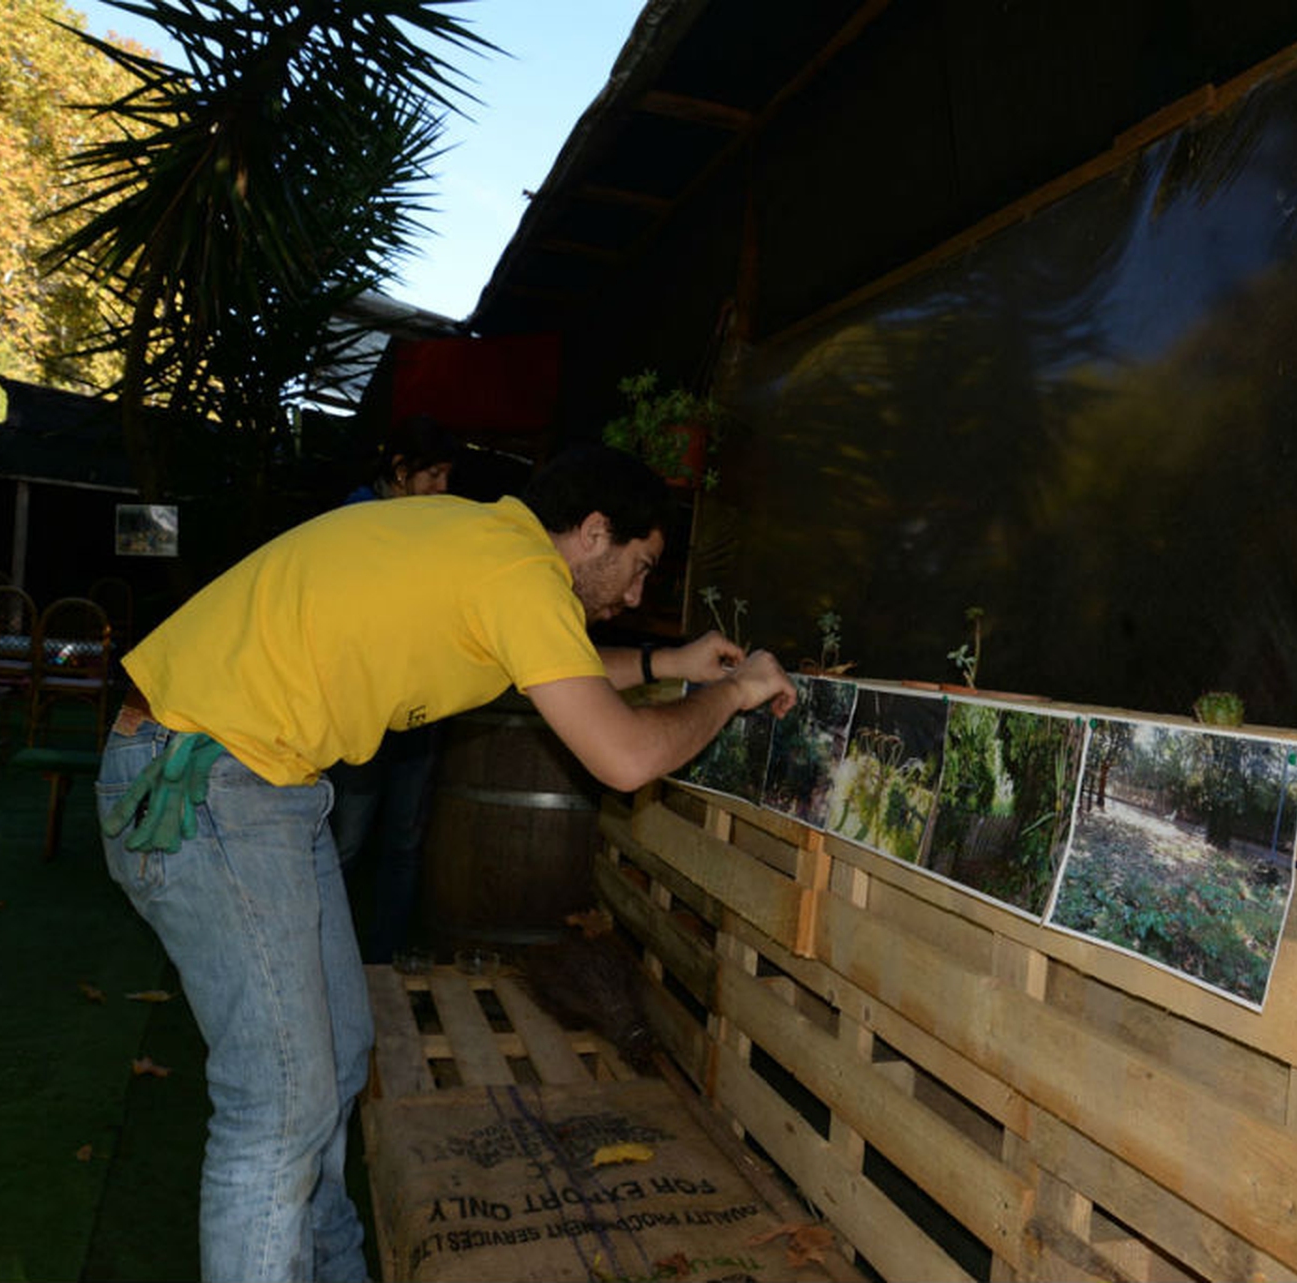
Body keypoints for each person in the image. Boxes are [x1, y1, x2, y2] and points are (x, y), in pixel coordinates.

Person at [92, 442, 794, 1283]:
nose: (638, 597)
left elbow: (554, 669)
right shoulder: (518, 573)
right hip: (204, 779)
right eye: (640, 567)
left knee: (338, 1051)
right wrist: (732, 693)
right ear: (594, 531)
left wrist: (667, 664)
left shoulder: (489, 549)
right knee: (279, 1103)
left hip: (260, 780)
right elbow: (626, 756)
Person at [326, 414, 464, 965]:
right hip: (364, 711)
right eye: (433, 475)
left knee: (404, 843)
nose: (443, 488)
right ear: (401, 470)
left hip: (420, 710)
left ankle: (385, 962)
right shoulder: (354, 520)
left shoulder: (436, 527)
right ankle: (323, 958)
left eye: (447, 476)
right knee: (345, 842)